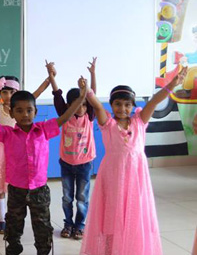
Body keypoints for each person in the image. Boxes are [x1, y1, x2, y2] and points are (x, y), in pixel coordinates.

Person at [0, 75, 88, 255]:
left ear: (35, 112)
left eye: (29, 110)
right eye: (19, 111)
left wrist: (82, 96)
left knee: (43, 229)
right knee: (13, 227)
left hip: (39, 190)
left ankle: (43, 251)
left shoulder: (44, 129)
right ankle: (14, 249)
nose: (25, 114)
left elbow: (67, 116)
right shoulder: (7, 133)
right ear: (11, 113)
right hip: (16, 190)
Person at [80, 68, 186, 255]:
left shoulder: (139, 121)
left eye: (127, 105)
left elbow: (154, 101)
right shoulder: (108, 124)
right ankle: (109, 250)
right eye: (118, 104)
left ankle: (133, 249)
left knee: (135, 215)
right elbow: (96, 105)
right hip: (113, 178)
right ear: (111, 105)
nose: (123, 109)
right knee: (111, 216)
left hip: (136, 178)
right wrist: (87, 90)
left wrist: (171, 85)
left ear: (132, 106)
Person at [49, 58, 97, 240]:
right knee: (67, 198)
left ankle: (80, 225)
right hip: (67, 164)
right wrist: (51, 76)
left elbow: (92, 97)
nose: (81, 108)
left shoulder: (90, 116)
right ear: (69, 106)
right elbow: (57, 94)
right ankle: (68, 224)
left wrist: (92, 74)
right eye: (77, 104)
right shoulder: (65, 115)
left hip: (85, 164)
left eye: (84, 104)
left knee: (82, 198)